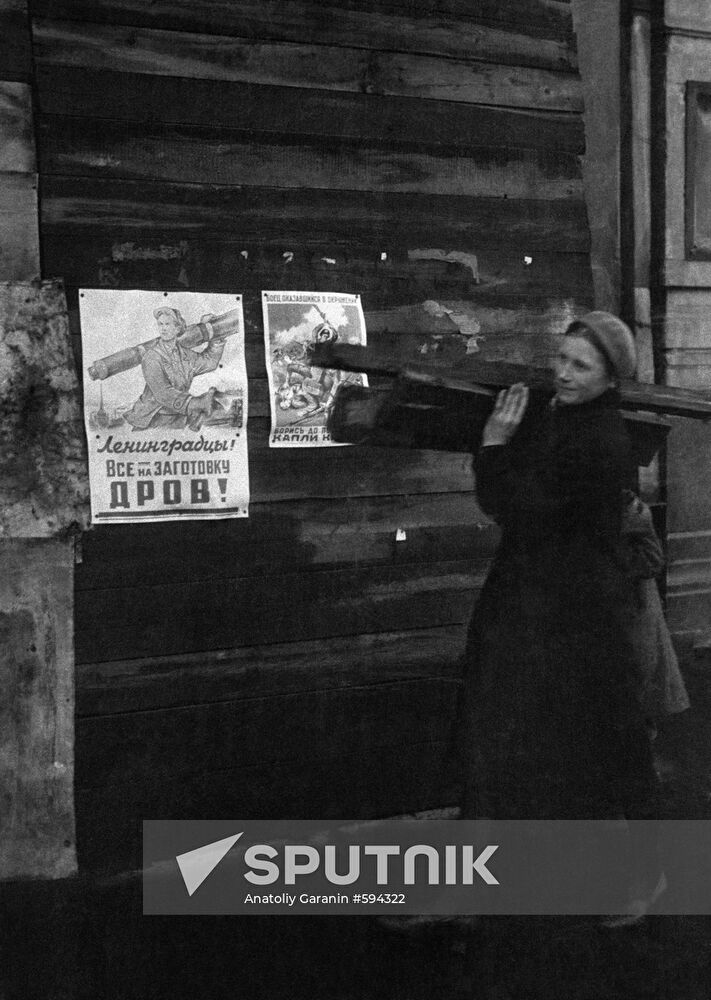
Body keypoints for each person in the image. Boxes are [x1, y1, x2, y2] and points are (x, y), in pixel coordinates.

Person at [459, 311, 664, 923]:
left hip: (579, 616)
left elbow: (517, 506)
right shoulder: (564, 417)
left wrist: (494, 446)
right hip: (536, 604)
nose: (563, 373)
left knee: (612, 746)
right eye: (561, 359)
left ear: (610, 379)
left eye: (581, 365)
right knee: (499, 733)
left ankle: (647, 878)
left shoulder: (599, 440)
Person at [125, 307, 225, 430]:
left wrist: (216, 334)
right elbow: (163, 393)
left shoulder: (185, 355)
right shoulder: (151, 357)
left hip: (177, 418)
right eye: (160, 324)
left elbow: (210, 362)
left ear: (177, 328)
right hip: (151, 420)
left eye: (167, 324)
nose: (163, 328)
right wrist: (196, 402)